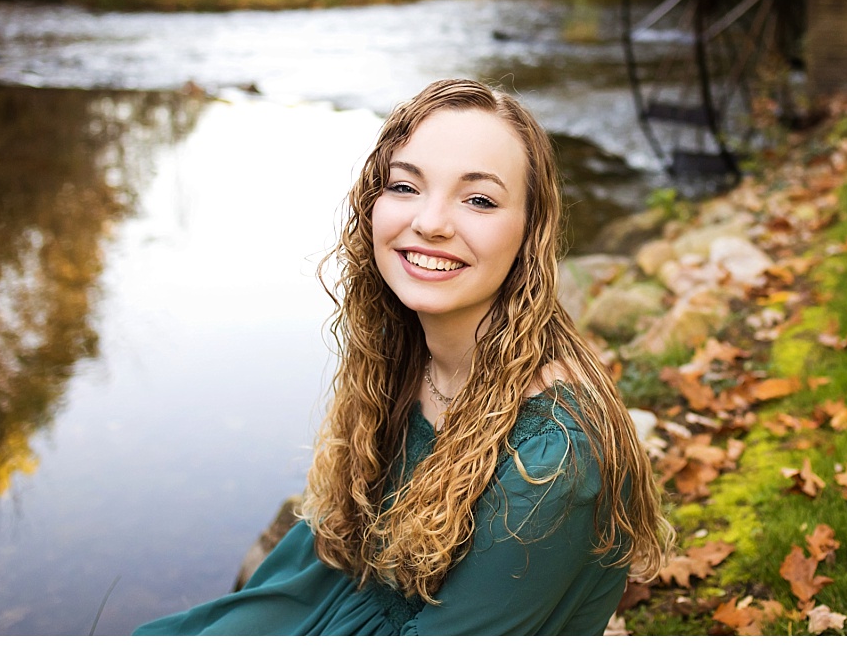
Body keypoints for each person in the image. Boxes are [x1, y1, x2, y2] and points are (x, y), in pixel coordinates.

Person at [137, 79, 671, 635]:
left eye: (480, 199)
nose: (431, 222)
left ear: (530, 231)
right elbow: (313, 565)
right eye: (405, 186)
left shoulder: (551, 459)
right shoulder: (404, 351)